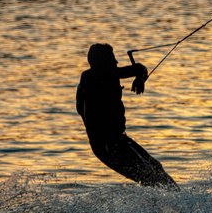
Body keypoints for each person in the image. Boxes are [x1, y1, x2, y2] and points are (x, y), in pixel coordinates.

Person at [76, 43, 179, 191]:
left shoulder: (107, 75)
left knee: (156, 168)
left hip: (120, 139)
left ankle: (181, 203)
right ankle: (157, 210)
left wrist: (140, 78)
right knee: (149, 177)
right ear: (102, 63)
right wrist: (109, 144)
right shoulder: (90, 82)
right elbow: (89, 117)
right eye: (112, 59)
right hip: (107, 145)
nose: (116, 62)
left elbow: (140, 68)